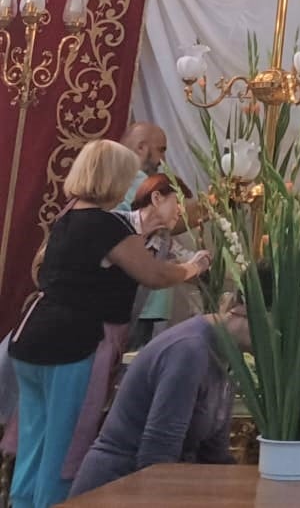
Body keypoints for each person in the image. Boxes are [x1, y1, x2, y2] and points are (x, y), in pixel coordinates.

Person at [7, 139, 209, 508]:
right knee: (64, 453)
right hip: (72, 343)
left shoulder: (67, 216)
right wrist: (192, 267)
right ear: (114, 177)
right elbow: (153, 274)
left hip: (31, 338)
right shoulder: (106, 225)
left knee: (32, 448)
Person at [67, 295, 253, 495]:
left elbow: (214, 457)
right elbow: (157, 457)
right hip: (118, 486)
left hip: (160, 485)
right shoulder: (189, 350)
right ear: (243, 310)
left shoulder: (228, 355)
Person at [127, 176, 199, 347]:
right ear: (156, 198)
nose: (182, 211)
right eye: (178, 202)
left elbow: (186, 259)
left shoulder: (163, 238)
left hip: (138, 317)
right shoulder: (121, 225)